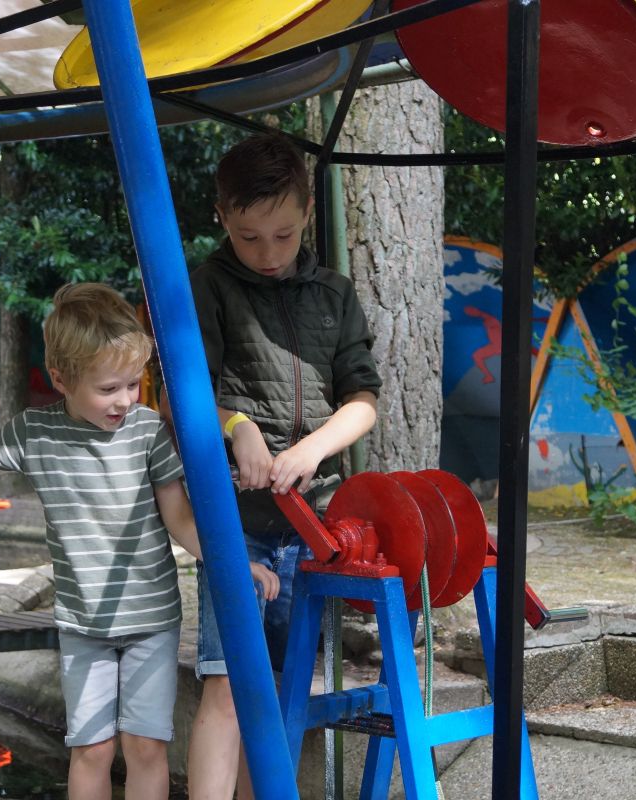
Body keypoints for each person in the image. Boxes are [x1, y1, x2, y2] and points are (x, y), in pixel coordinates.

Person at [0, 283, 278, 800]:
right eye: (109, 389)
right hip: (83, 624)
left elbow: (181, 518)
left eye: (133, 384)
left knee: (146, 747)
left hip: (151, 620)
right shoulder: (34, 433)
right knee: (91, 750)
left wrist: (233, 563)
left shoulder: (147, 431)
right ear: (60, 379)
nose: (125, 400)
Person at [187, 132, 382, 799]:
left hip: (315, 526)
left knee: (282, 687)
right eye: (248, 237)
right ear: (221, 217)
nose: (267, 253)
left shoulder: (333, 294)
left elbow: (362, 400)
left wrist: (311, 450)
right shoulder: (205, 284)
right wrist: (235, 426)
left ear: (305, 212)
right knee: (226, 682)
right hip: (231, 521)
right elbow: (178, 394)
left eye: (283, 235)